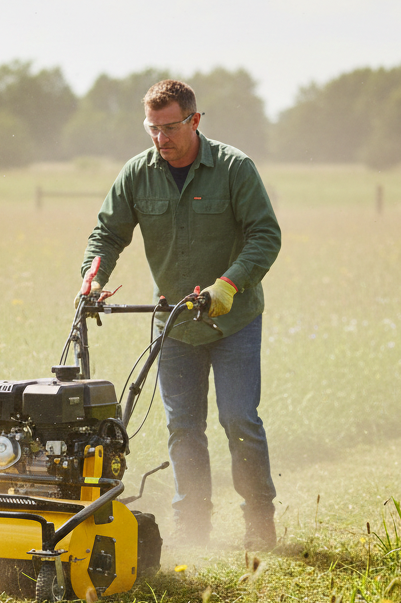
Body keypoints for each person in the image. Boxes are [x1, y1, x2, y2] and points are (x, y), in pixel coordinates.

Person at [79, 79, 281, 550]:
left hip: (232, 318)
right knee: (183, 426)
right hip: (172, 321)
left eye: (170, 128)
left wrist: (228, 284)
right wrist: (94, 275)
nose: (161, 139)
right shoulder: (137, 173)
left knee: (237, 418)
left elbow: (264, 236)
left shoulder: (234, 168)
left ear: (194, 120)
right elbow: (107, 234)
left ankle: (258, 518)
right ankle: (193, 525)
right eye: (152, 129)